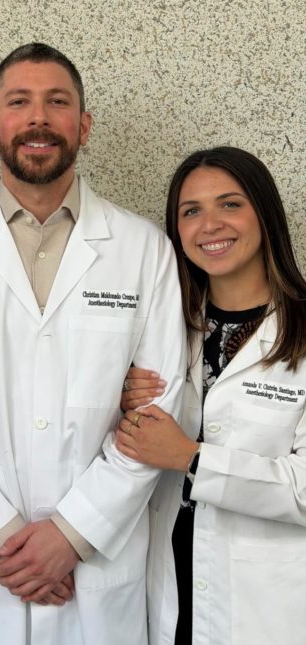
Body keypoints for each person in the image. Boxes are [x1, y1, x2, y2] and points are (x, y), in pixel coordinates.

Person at [0, 43, 186, 645]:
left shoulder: (143, 249)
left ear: (83, 125)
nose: (38, 118)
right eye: (19, 102)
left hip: (97, 568)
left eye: (57, 102)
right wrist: (10, 545)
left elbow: (161, 414)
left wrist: (73, 536)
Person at [118, 146, 306, 645]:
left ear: (264, 214)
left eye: (230, 204)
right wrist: (119, 400)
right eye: (191, 211)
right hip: (168, 589)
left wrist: (191, 458)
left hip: (267, 607)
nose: (210, 225)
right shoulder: (162, 332)